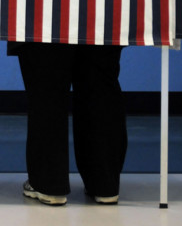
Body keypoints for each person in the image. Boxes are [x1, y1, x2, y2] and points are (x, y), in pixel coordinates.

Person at [11, 41, 127, 206]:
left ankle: (49, 184)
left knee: (47, 83)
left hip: (43, 17)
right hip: (102, 18)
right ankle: (105, 184)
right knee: (100, 83)